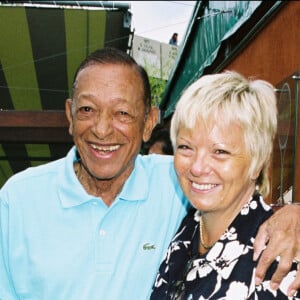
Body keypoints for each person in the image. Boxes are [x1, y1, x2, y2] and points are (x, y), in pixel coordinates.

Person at [0, 48, 300, 299]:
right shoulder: (17, 199)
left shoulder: (276, 263)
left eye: (122, 113)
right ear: (69, 114)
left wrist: (294, 214)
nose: (102, 129)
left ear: (148, 122)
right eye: (88, 110)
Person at [150, 71, 300, 299]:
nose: (197, 168)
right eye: (185, 147)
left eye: (220, 151)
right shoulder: (188, 226)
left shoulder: (277, 266)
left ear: (256, 163)